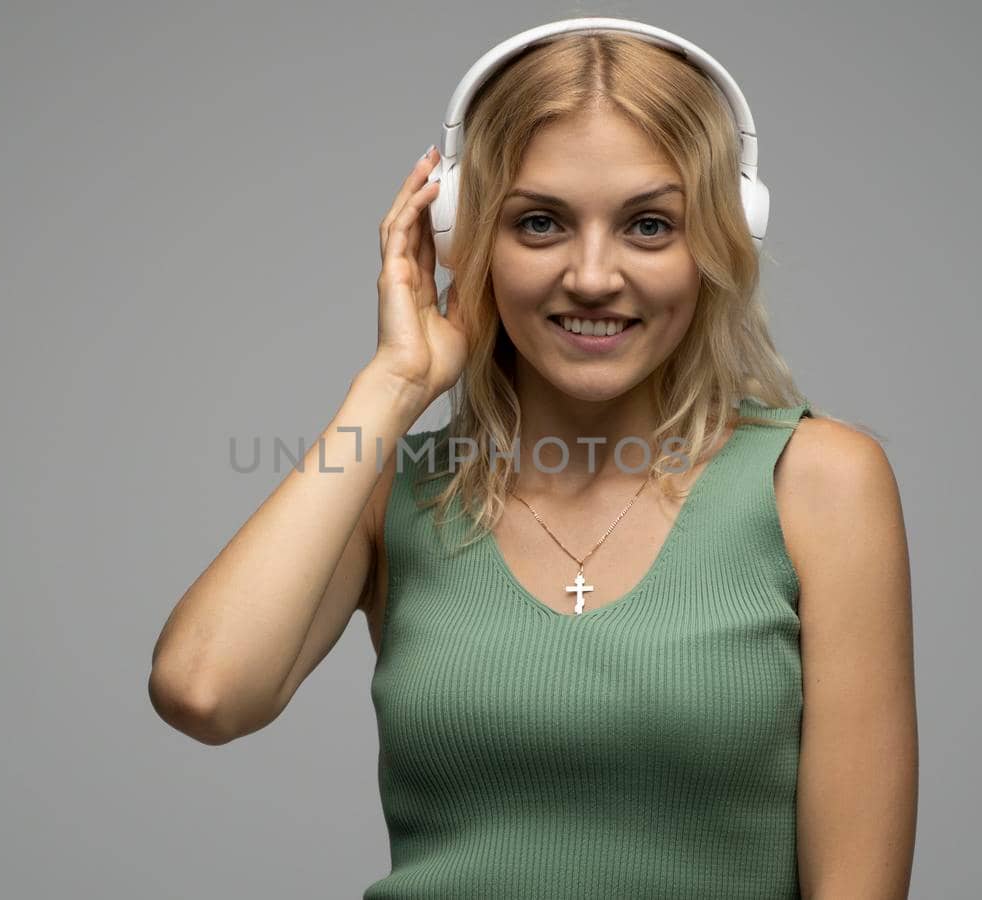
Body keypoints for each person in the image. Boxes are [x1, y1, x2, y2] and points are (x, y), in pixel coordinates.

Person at [150, 19, 918, 899]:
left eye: (650, 225)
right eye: (541, 223)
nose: (592, 276)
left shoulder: (816, 481)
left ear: (718, 239)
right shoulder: (389, 493)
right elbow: (203, 690)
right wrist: (395, 384)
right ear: (466, 237)